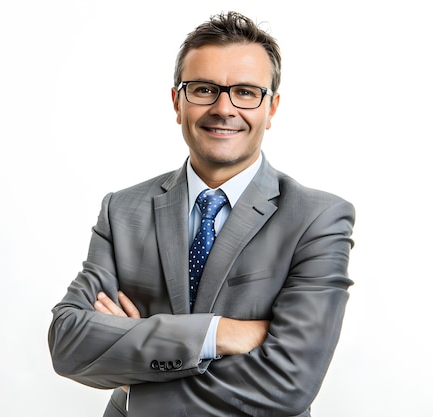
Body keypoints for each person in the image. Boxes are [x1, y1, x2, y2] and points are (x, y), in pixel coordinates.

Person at [48, 10, 355, 417]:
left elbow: (290, 383)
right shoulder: (122, 210)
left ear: (272, 108)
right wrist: (218, 334)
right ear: (177, 102)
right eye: (204, 89)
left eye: (245, 91)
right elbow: (68, 343)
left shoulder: (318, 218)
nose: (224, 107)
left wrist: (133, 371)